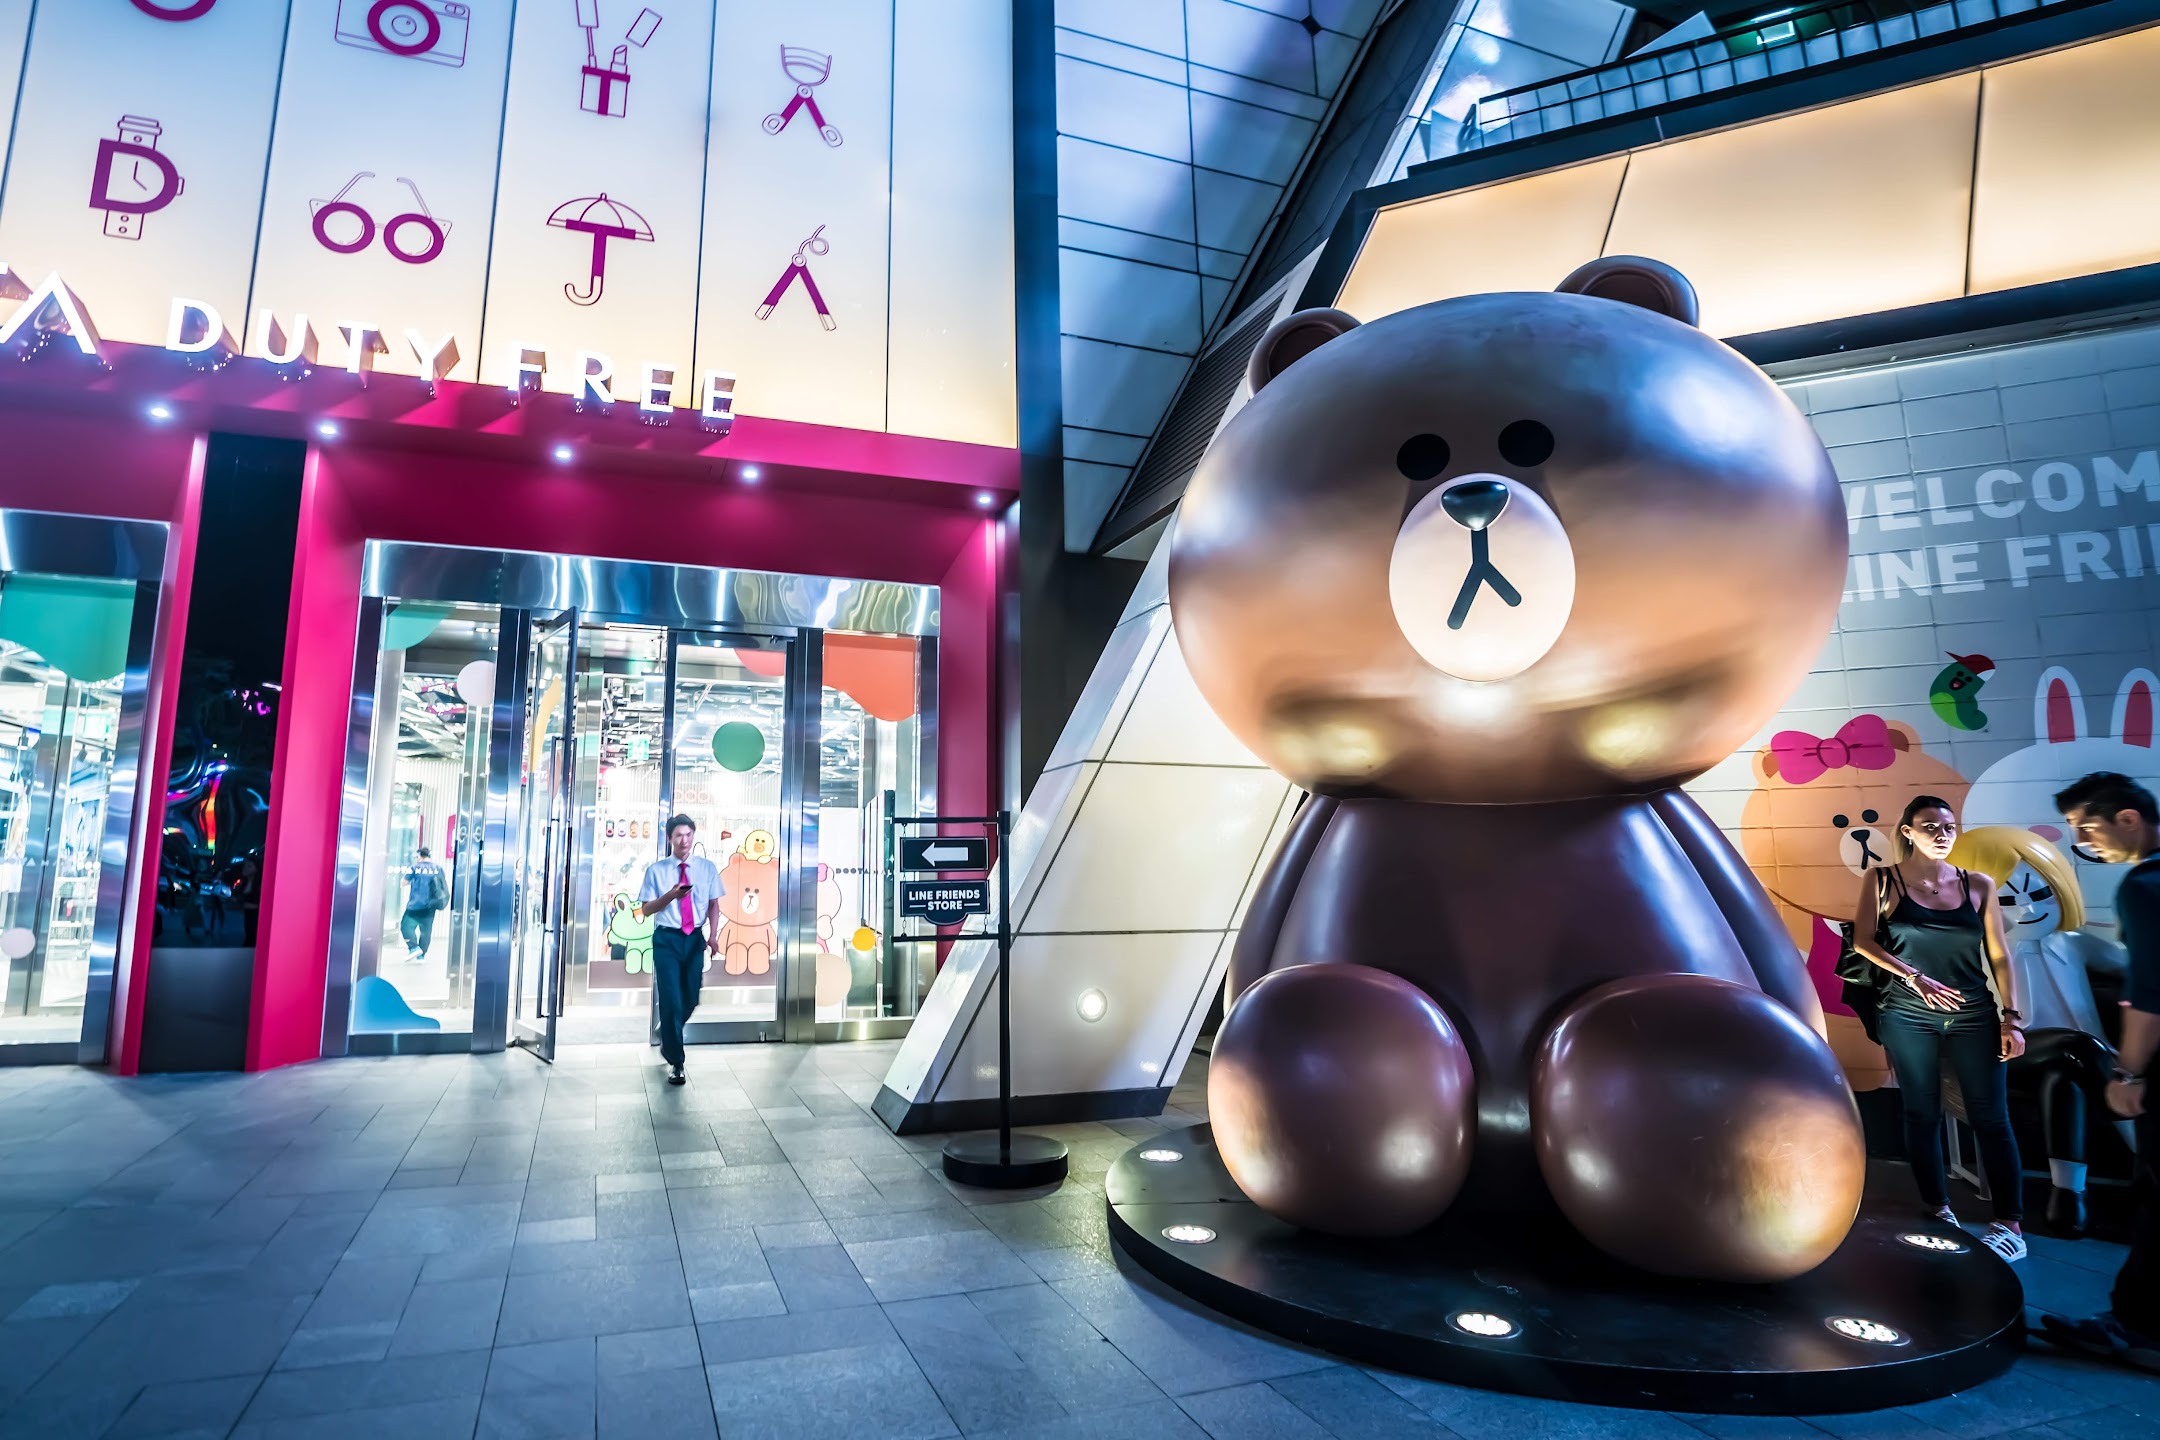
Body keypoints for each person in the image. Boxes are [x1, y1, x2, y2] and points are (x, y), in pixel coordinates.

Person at [1850, 794, 2027, 1262]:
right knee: (1920, 1112)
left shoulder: (1978, 885)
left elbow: (2000, 956)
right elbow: (1863, 941)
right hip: (1907, 1013)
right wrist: (1915, 977)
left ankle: (2009, 1223)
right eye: (1930, 826)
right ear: (1907, 831)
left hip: (1973, 1014)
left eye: (1949, 827)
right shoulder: (1882, 880)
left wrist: (2012, 1018)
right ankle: (1938, 1208)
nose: (1942, 834)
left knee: (1991, 1116)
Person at [2042, 772, 2160, 1373]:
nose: (2084, 840)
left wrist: (2129, 1073)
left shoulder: (2143, 885)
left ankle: (2135, 1327)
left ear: (2129, 820)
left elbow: (2147, 993)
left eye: (2087, 826)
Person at [637, 814, 725, 1085]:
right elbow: (645, 909)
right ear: (669, 839)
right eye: (679, 836)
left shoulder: (707, 868)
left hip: (694, 938)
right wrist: (671, 896)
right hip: (667, 940)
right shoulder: (657, 871)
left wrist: (713, 936)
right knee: (671, 998)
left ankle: (670, 1031)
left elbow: (714, 904)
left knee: (690, 998)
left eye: (688, 835)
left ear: (694, 836)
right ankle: (676, 1061)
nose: (684, 840)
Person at [398, 847, 448, 960]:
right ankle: (421, 956)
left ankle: (414, 948)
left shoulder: (414, 868)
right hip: (431, 905)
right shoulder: (438, 868)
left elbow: (404, 882)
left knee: (406, 926)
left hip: (415, 905)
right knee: (426, 931)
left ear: (420, 855)